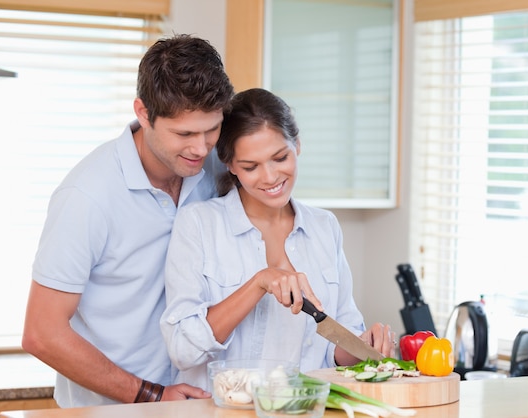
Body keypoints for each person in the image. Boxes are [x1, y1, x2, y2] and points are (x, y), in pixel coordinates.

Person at [22, 34, 235, 407]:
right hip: (110, 409)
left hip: (199, 401)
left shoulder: (216, 167)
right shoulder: (87, 196)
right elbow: (42, 332)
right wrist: (151, 396)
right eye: (184, 133)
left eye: (211, 130)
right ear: (143, 112)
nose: (200, 148)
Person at [160, 88, 396, 389]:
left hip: (302, 408)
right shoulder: (198, 224)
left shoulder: (325, 227)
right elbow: (183, 349)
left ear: (297, 144)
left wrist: (364, 344)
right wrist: (260, 282)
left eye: (280, 157)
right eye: (250, 167)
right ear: (230, 164)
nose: (270, 177)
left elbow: (334, 352)